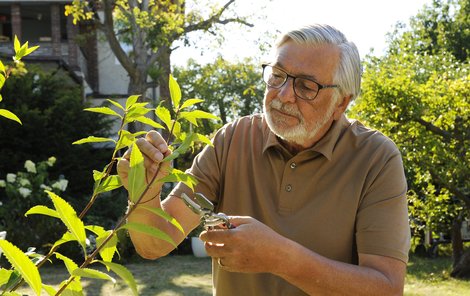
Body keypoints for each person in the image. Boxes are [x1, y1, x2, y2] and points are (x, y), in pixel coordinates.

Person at [117, 24, 411, 295]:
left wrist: (281, 258)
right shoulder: (233, 139)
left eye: (306, 86)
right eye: (277, 75)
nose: (283, 95)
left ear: (342, 102)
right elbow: (154, 243)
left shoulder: (376, 158)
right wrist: (144, 191)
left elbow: (386, 288)